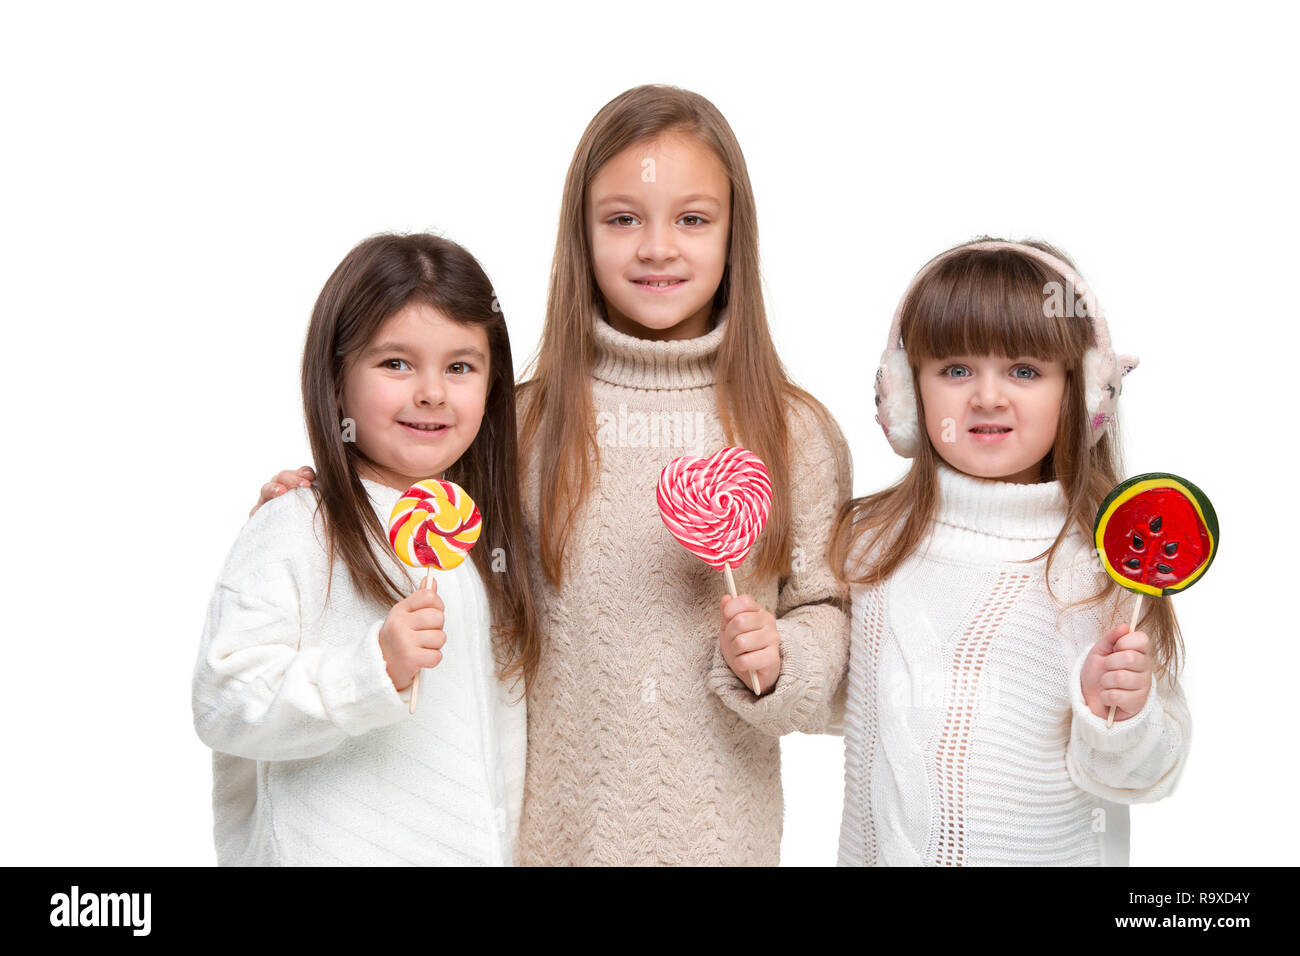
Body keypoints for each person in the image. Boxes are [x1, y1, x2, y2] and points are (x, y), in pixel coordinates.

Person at [259, 85, 852, 865]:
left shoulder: (794, 432)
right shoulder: (520, 423)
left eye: (693, 219)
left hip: (720, 838)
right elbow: (428, 544)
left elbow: (830, 613)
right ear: (581, 234)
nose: (657, 247)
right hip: (543, 837)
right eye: (623, 219)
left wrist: (783, 660)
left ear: (735, 235)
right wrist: (330, 507)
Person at [830, 238, 1190, 866]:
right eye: (955, 369)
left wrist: (1120, 714)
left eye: (1024, 370)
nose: (988, 397)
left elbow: (1146, 774)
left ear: (1082, 395)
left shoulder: (1103, 567)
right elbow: (837, 702)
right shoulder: (869, 544)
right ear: (905, 396)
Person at [195, 233, 539, 865]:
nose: (432, 392)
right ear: (336, 377)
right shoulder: (298, 525)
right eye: (396, 364)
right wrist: (372, 666)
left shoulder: (485, 538)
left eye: (460, 366)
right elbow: (225, 702)